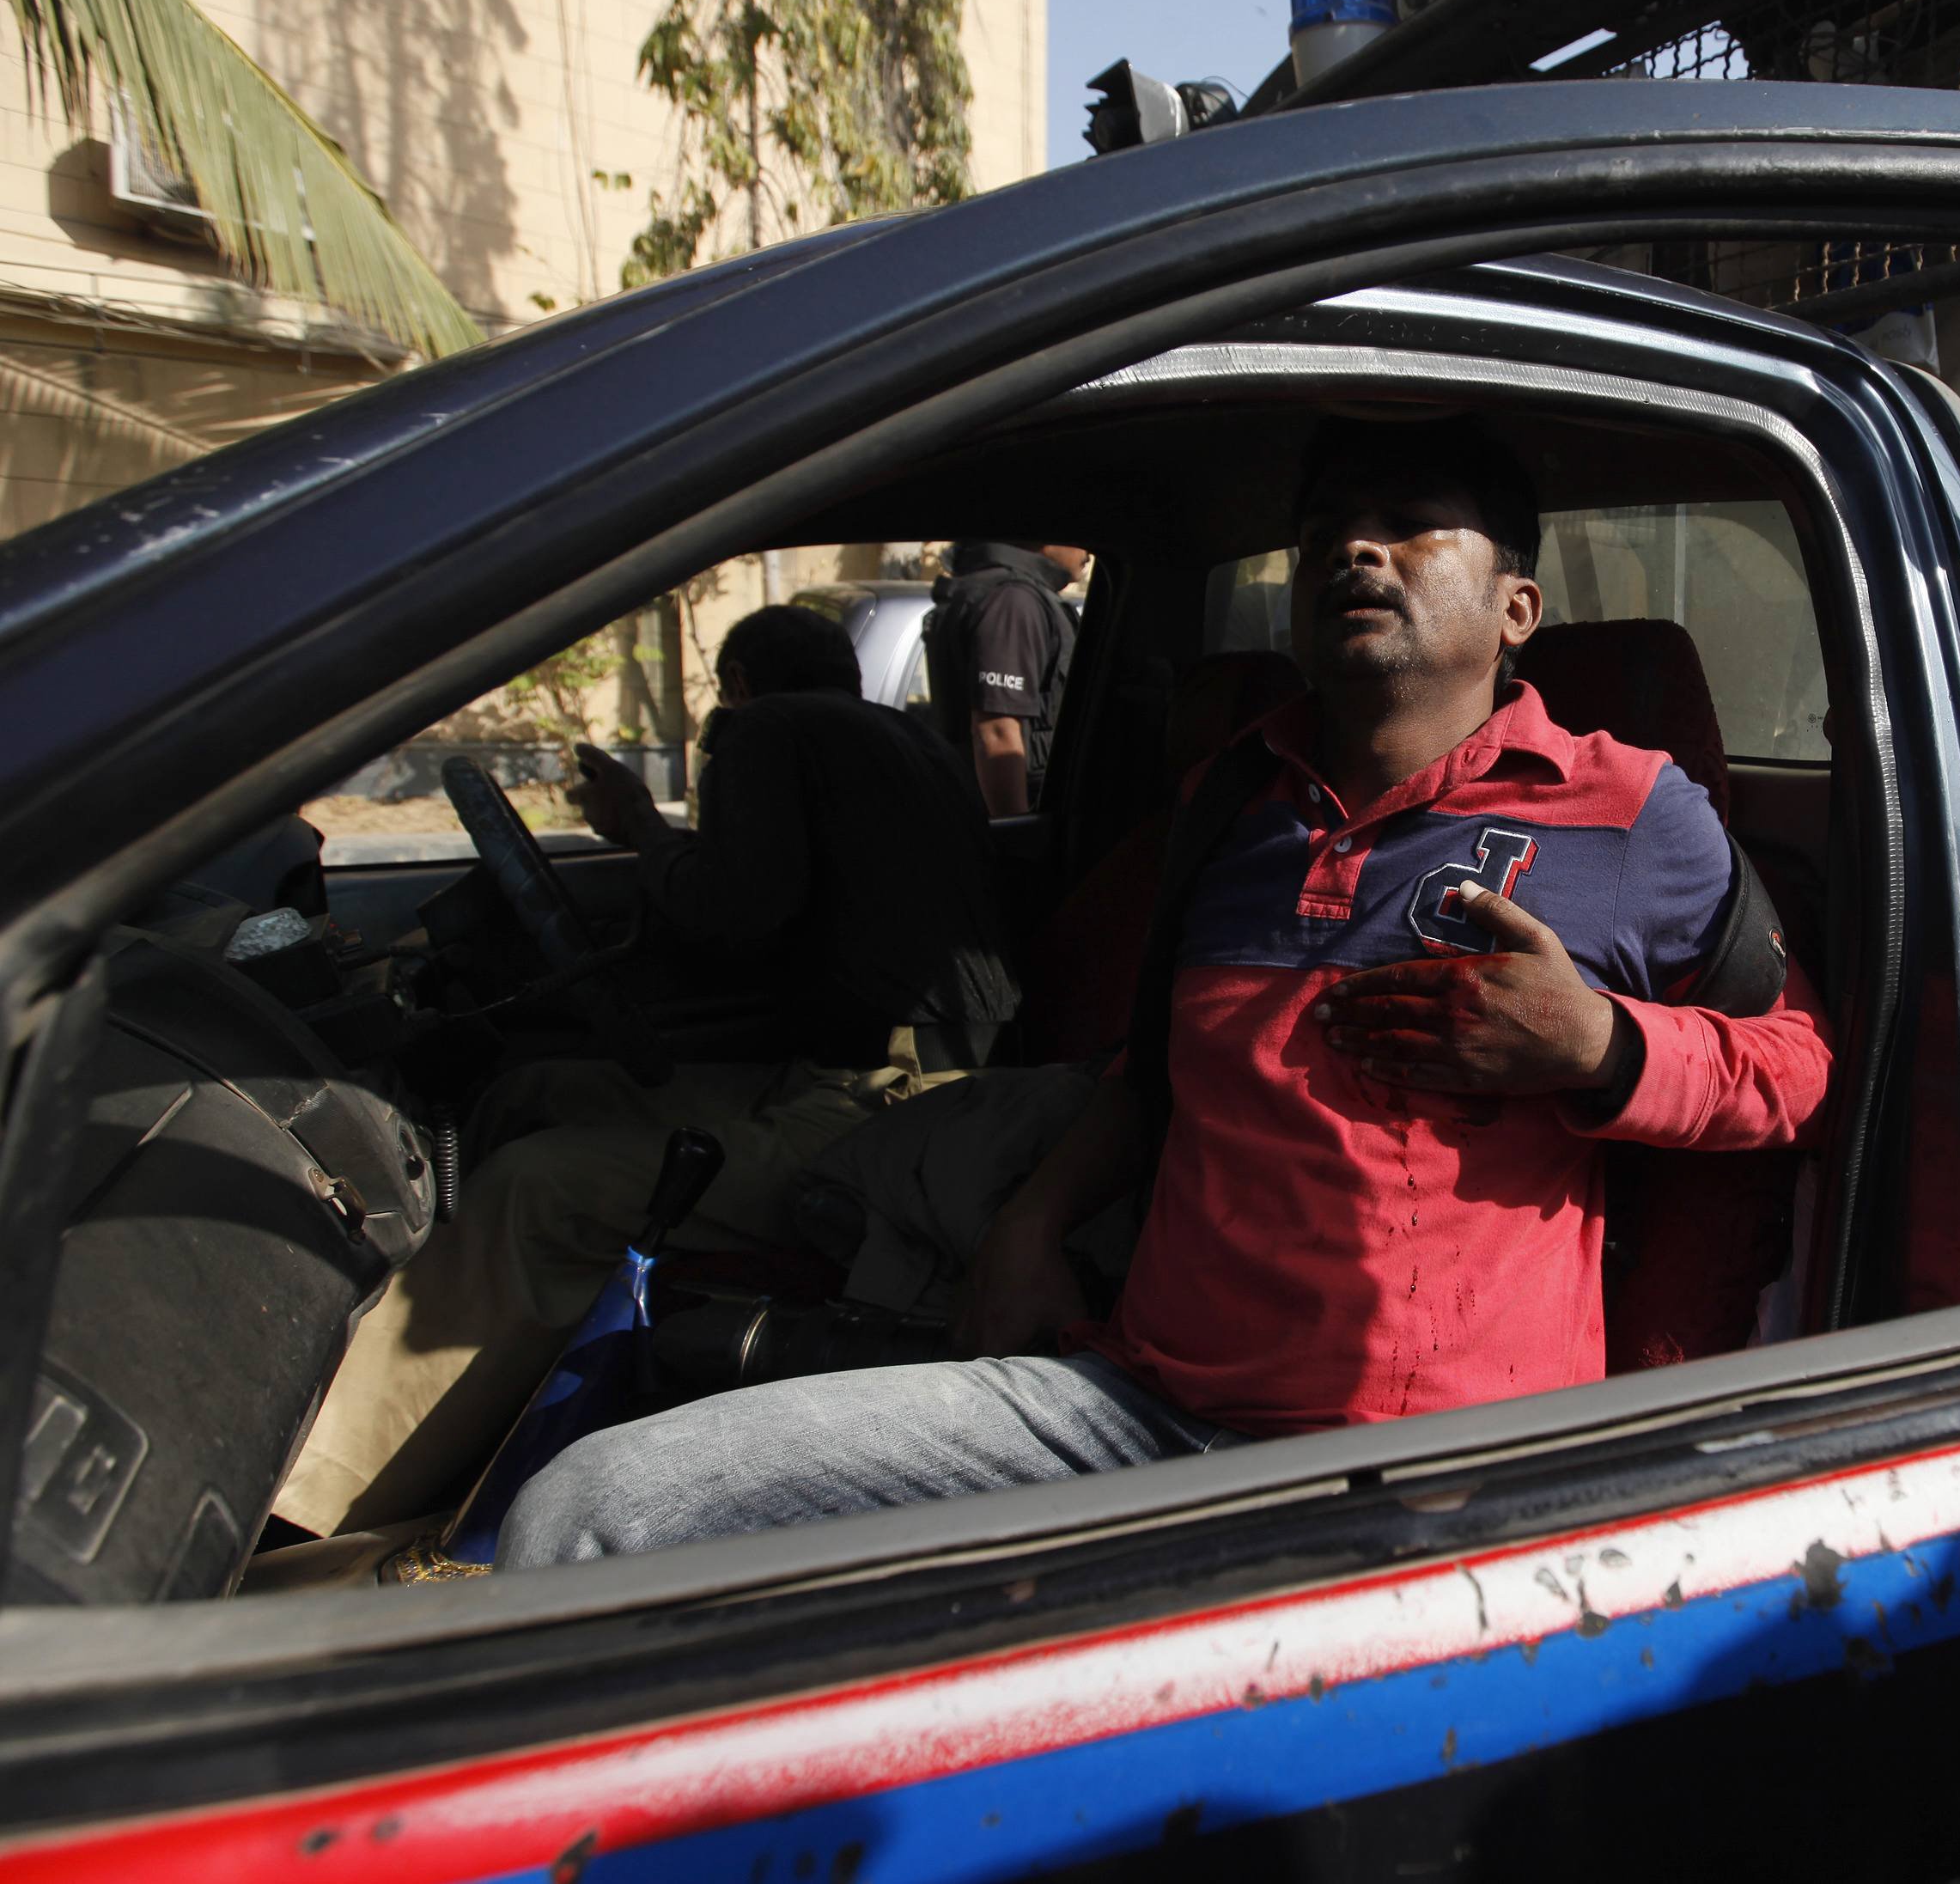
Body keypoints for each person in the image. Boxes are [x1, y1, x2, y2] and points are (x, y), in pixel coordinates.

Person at [501, 416, 1836, 1564]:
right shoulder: (1226, 808)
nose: (1354, 552)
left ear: (1515, 608)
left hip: (1427, 1476)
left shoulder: (1634, 813)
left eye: (1411, 527)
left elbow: (1795, 1065)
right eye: (1324, 535)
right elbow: (1152, 1074)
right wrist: (1031, 1223)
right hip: (1131, 1410)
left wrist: (1601, 1049)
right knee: (591, 1505)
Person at [275, 605, 1020, 1538]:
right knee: (527, 1088)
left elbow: (730, 911)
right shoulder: (904, 736)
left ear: (739, 683)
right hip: (861, 1072)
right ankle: (464, 1396)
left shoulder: (767, 730)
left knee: (531, 1189)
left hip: (881, 1107)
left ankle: (305, 1506)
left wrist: (638, 826)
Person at [936, 540, 1091, 816]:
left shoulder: (1013, 593)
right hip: (1014, 815)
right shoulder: (1014, 600)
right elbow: (996, 734)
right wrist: (1016, 833)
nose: (1087, 552)